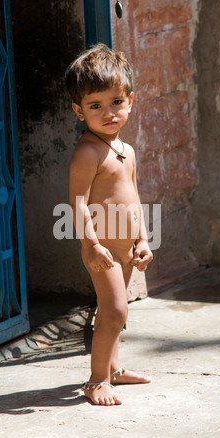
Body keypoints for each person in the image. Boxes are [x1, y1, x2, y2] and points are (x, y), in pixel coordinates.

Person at [65, 44, 153, 406]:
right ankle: (97, 379)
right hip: (102, 249)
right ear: (79, 110)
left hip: (127, 247)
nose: (109, 113)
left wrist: (143, 239)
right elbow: (78, 203)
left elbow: (132, 193)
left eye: (116, 102)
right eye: (95, 105)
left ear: (130, 100)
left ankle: (113, 370)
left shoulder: (126, 150)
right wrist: (91, 245)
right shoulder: (88, 152)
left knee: (114, 312)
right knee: (115, 310)